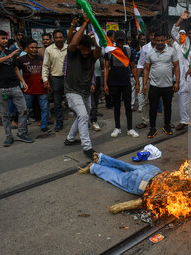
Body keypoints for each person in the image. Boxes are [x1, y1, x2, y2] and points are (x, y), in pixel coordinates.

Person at [63, 15, 101, 160]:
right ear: (79, 47)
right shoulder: (72, 53)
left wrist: (96, 30)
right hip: (72, 91)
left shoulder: (92, 55)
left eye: (88, 49)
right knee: (84, 116)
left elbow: (98, 48)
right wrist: (86, 22)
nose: (86, 52)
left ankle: (70, 138)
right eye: (83, 49)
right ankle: (87, 148)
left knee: (83, 114)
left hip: (85, 92)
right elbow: (72, 42)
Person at [0, 29, 34, 146]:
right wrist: (10, 55)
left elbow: (15, 69)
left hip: (15, 86)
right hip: (1, 88)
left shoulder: (9, 52)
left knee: (24, 110)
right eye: (2, 38)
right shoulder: (10, 53)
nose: (5, 41)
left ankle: (21, 133)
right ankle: (9, 137)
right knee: (5, 115)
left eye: (6, 38)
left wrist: (23, 81)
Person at [104, 31, 140, 138]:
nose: (120, 42)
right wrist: (105, 84)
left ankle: (130, 128)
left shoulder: (128, 51)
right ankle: (117, 127)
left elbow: (133, 67)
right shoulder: (110, 51)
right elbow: (106, 68)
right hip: (114, 83)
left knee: (128, 106)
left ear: (125, 40)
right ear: (114, 39)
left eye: (122, 40)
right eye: (118, 39)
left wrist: (137, 82)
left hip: (126, 83)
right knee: (116, 106)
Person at [143, 32, 180, 138]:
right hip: (154, 86)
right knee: (153, 108)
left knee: (168, 107)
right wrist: (145, 84)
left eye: (162, 40)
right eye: (157, 40)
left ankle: (167, 126)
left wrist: (177, 82)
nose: (160, 43)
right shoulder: (150, 53)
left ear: (165, 40)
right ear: (154, 40)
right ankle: (152, 128)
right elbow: (146, 69)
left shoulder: (171, 51)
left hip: (168, 86)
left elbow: (176, 67)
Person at [78, 152, 162, 196]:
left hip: (154, 170)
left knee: (126, 165)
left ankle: (101, 159)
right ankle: (94, 167)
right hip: (143, 183)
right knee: (116, 177)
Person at [15, 39, 50, 133]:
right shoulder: (21, 59)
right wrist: (22, 81)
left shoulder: (41, 59)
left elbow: (46, 71)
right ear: (27, 48)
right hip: (28, 90)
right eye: (32, 47)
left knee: (45, 109)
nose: (34, 49)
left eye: (36, 47)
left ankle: (44, 126)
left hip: (42, 89)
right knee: (25, 111)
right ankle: (24, 130)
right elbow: (15, 69)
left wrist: (47, 83)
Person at [42, 29, 67, 132]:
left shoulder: (69, 48)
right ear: (53, 39)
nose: (58, 39)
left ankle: (81, 121)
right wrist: (45, 79)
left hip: (68, 78)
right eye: (56, 37)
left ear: (63, 38)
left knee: (73, 101)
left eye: (60, 37)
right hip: (56, 79)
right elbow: (45, 66)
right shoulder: (49, 49)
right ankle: (59, 123)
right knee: (57, 103)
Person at [135, 27, 158, 130]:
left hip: (162, 79)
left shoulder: (164, 47)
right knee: (146, 100)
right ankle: (145, 121)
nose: (153, 37)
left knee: (165, 101)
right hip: (148, 79)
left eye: (155, 35)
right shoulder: (145, 48)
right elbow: (140, 64)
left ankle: (167, 122)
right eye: (151, 35)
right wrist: (137, 82)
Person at [130, 39, 143, 112]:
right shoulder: (139, 54)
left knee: (132, 90)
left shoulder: (129, 53)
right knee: (140, 91)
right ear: (137, 46)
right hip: (139, 74)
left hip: (131, 74)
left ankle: (132, 105)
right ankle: (140, 107)